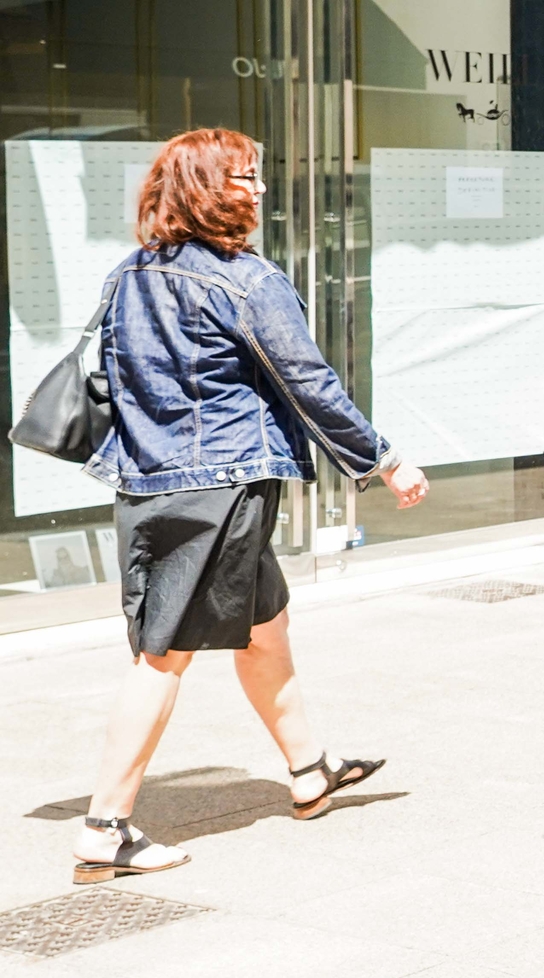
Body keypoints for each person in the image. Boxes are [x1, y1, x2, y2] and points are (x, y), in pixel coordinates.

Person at [73, 128, 425, 883]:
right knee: (162, 655)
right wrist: (383, 459)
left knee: (266, 627)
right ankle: (105, 827)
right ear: (207, 190)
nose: (259, 190)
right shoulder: (246, 281)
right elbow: (310, 383)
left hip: (150, 483)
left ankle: (309, 771)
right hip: (218, 490)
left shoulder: (127, 276)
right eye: (245, 177)